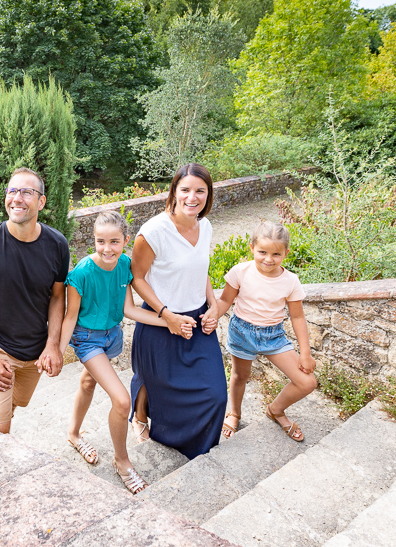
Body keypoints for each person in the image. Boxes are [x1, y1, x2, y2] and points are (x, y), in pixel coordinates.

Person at [59, 211, 182, 494]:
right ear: (94, 241)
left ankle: (73, 434)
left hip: (113, 336)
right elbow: (69, 317)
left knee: (89, 381)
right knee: (122, 400)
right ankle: (122, 461)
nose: (107, 249)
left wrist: (169, 321)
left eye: (114, 242)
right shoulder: (81, 273)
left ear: (125, 241)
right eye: (100, 241)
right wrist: (57, 351)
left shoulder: (126, 264)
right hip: (87, 339)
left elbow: (129, 309)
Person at [0, 167, 70, 434]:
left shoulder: (57, 244)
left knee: (15, 405)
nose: (17, 198)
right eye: (12, 191)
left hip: (34, 356)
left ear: (41, 201)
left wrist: (53, 345)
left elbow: (57, 297)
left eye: (26, 192)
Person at [129, 163, 221, 459]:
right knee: (154, 384)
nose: (192, 197)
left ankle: (198, 449)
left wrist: (215, 305)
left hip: (198, 323)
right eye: (185, 190)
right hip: (161, 321)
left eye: (200, 191)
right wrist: (166, 315)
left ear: (208, 195)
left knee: (216, 396)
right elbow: (137, 278)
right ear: (174, 192)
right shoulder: (154, 231)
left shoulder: (205, 226)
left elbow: (201, 270)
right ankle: (140, 418)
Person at [215, 221, 317, 442]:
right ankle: (235, 413)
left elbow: (298, 316)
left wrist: (305, 353)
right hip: (241, 332)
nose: (268, 259)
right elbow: (224, 301)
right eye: (262, 252)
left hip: (273, 337)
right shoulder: (240, 272)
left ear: (286, 253)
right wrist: (211, 317)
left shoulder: (291, 281)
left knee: (307, 382)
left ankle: (276, 410)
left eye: (276, 254)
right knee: (240, 376)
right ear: (252, 247)